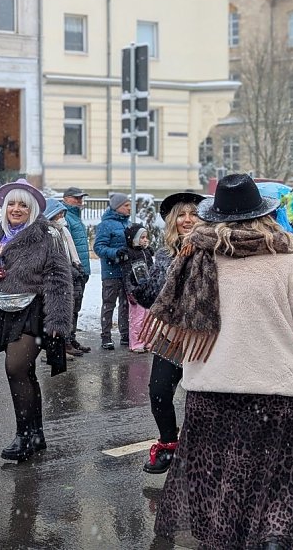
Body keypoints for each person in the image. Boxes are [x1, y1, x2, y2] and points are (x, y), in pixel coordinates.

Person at [147, 175, 293, 549]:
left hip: (213, 390)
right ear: (264, 216)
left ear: (215, 217)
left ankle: (225, 538)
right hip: (277, 390)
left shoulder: (193, 259)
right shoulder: (285, 261)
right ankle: (272, 536)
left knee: (220, 476)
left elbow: (173, 328)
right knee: (276, 476)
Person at [0, 179, 73, 462]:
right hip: (5, 310)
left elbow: (60, 279)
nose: (16, 209)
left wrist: (58, 322)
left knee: (15, 367)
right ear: (4, 207)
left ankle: (23, 435)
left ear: (32, 209)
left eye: (22, 205)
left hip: (35, 311)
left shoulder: (46, 237)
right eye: (12, 204)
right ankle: (36, 434)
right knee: (24, 373)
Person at [131, 191, 204, 474]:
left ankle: (198, 449)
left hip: (205, 336)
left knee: (199, 397)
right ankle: (169, 445)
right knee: (159, 392)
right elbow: (154, 299)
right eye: (181, 215)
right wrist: (140, 284)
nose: (187, 220)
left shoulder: (215, 250)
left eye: (193, 214)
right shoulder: (163, 254)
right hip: (172, 334)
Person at [43, 198, 86, 358]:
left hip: (71, 273)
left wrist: (76, 264)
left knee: (72, 308)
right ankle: (56, 347)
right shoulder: (49, 232)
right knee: (56, 311)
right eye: (59, 213)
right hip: (58, 276)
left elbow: (71, 249)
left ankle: (67, 341)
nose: (62, 215)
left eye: (63, 212)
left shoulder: (63, 229)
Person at [93, 192, 132, 350]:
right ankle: (106, 336)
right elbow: (99, 247)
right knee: (109, 304)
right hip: (111, 272)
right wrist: (115, 253)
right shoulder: (105, 225)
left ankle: (125, 334)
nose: (129, 208)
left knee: (126, 305)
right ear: (117, 207)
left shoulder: (128, 224)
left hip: (127, 271)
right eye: (126, 206)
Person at [61, 187, 92, 352]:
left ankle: (71, 339)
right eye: (76, 198)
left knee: (76, 308)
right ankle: (65, 341)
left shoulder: (76, 217)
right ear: (65, 198)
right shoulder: (66, 217)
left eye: (81, 198)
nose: (80, 201)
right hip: (72, 272)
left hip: (81, 271)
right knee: (69, 308)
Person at [119, 224, 154, 353]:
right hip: (137, 291)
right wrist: (130, 291)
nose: (145, 240)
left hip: (148, 290)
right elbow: (127, 274)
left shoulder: (147, 253)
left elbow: (152, 270)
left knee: (148, 318)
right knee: (137, 318)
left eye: (146, 237)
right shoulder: (129, 254)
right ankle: (136, 342)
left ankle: (147, 340)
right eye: (142, 237)